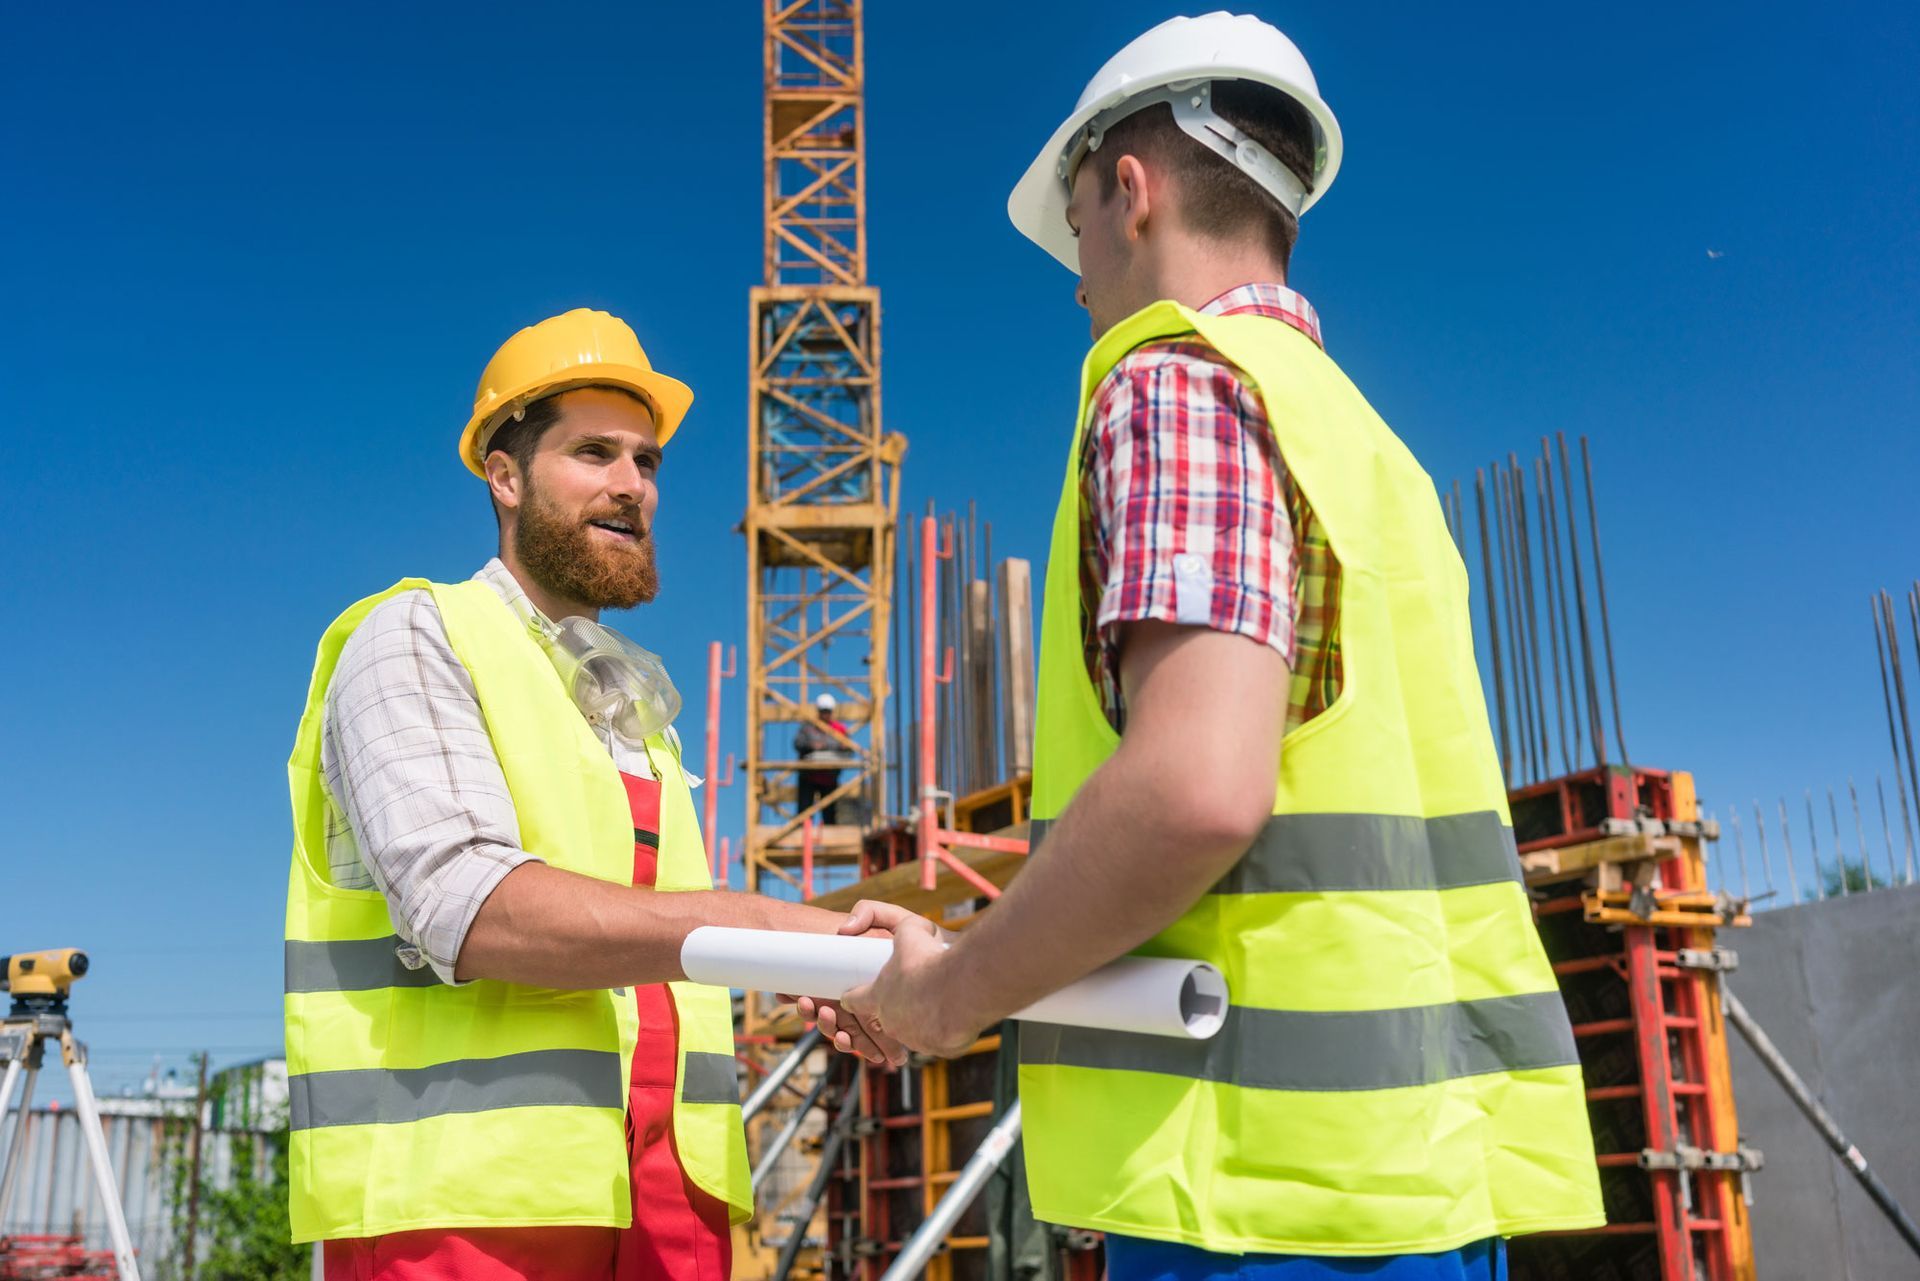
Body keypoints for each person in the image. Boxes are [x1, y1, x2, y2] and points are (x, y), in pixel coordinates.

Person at [833, 14, 1604, 1279]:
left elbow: (1198, 788)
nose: (1077, 276)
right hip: (1424, 1186)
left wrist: (946, 994)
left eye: (1076, 224)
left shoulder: (1173, 380)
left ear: (1129, 193)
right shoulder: (1371, 451)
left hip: (1251, 1201)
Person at [283, 307, 901, 1281]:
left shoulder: (634, 711)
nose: (632, 487)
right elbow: (469, 907)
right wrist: (797, 939)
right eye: (594, 453)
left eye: (647, 463)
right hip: (469, 1211)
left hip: (672, 1206)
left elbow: (660, 975)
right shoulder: (415, 636)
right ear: (504, 472)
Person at [794, 692, 851, 823]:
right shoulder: (808, 728)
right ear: (818, 711)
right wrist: (811, 745)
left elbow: (847, 747)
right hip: (809, 777)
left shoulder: (839, 728)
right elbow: (798, 743)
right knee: (805, 813)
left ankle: (830, 835)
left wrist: (828, 745)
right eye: (823, 711)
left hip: (829, 778)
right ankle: (804, 834)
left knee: (830, 814)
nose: (826, 714)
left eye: (828, 711)